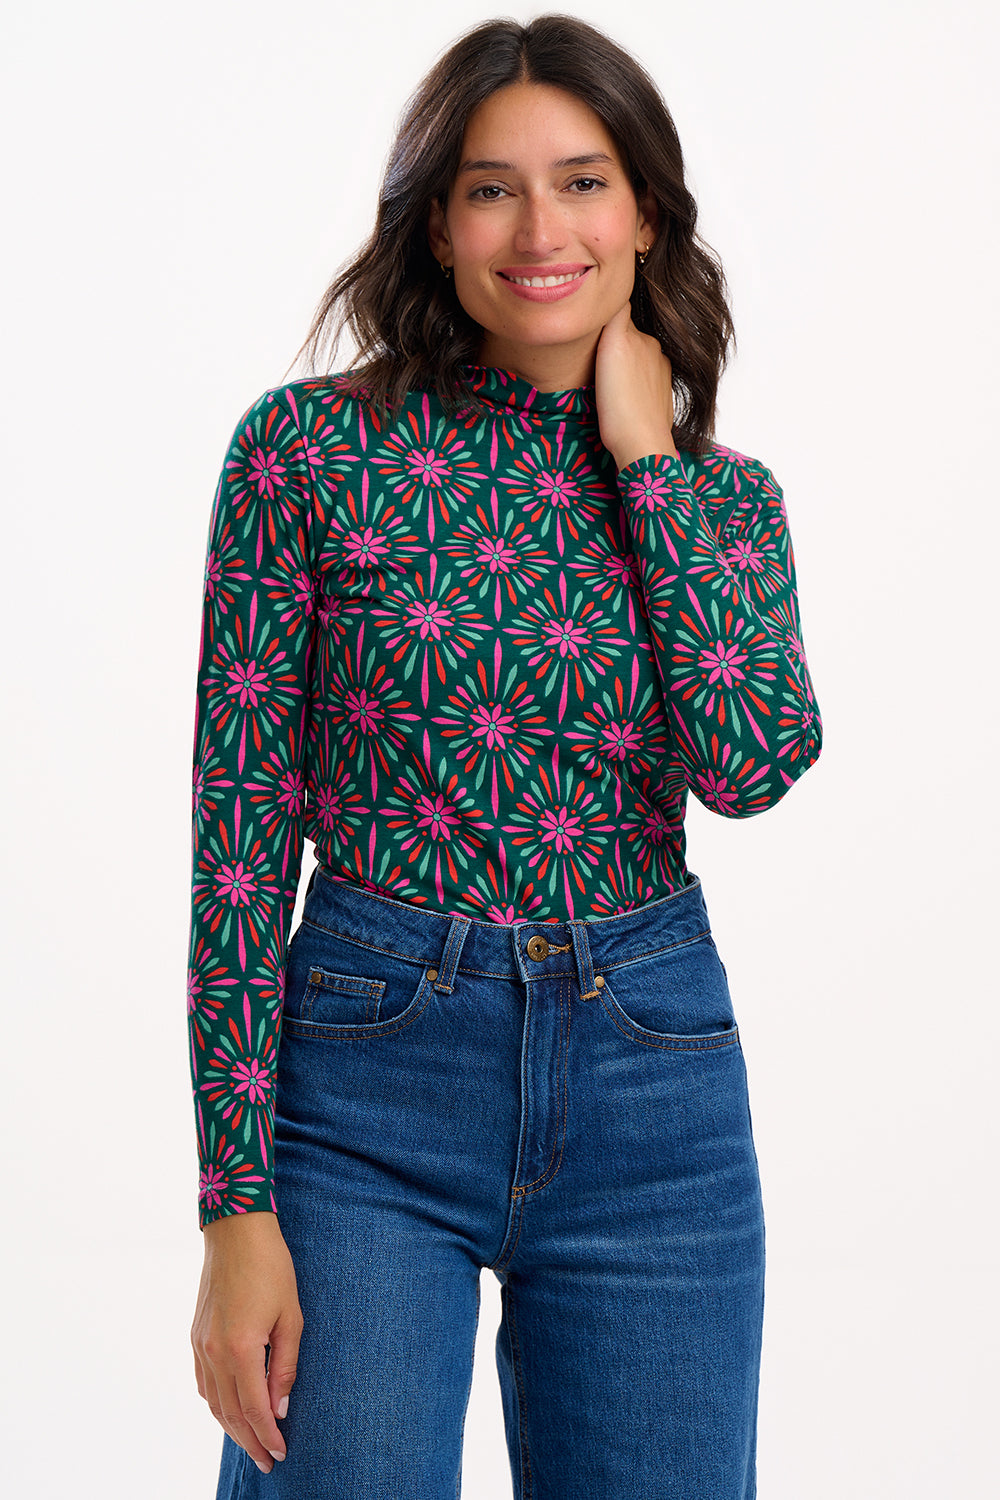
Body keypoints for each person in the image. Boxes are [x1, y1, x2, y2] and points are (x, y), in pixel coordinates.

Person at [187, 14, 823, 1498]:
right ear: (437, 221)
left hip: (652, 1091)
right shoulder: (305, 455)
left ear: (646, 209)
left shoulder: (724, 499)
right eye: (490, 187)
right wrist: (235, 1210)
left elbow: (751, 763)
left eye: (583, 181)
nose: (542, 229)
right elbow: (236, 846)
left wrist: (649, 467)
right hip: (363, 1091)